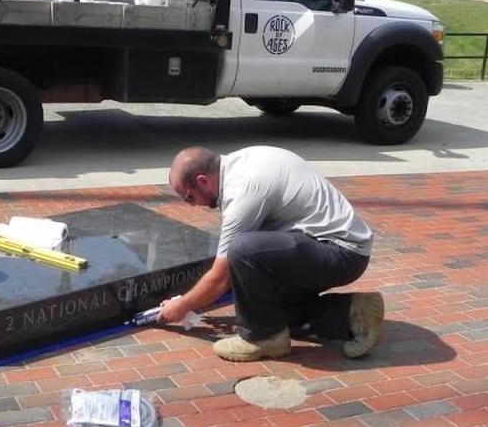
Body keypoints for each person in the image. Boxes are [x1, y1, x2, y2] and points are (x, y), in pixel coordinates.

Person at [157, 145, 384, 362]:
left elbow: (220, 278)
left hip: (340, 253)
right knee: (268, 312)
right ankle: (354, 312)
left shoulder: (243, 192)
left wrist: (182, 306)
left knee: (242, 249)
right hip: (333, 247)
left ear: (202, 181)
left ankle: (263, 338)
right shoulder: (245, 160)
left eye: (188, 197)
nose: (192, 205)